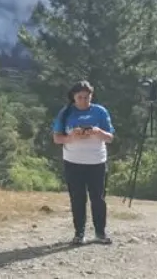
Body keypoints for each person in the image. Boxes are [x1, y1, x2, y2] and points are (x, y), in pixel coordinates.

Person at [52, 80, 115, 246]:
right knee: (77, 198)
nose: (83, 101)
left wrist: (97, 131)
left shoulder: (100, 112)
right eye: (80, 97)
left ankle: (100, 232)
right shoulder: (65, 113)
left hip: (96, 161)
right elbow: (57, 138)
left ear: (91, 96)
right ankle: (79, 233)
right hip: (73, 161)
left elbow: (110, 137)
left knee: (98, 198)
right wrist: (72, 137)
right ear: (74, 97)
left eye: (87, 97)